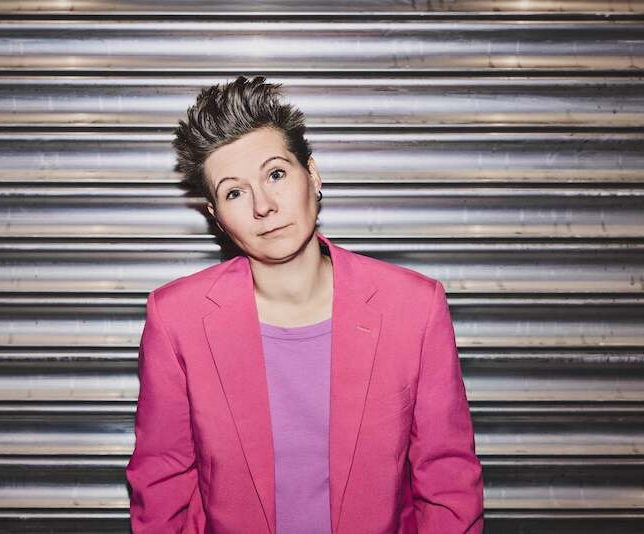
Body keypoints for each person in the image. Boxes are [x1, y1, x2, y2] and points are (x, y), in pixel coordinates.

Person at [126, 75, 483, 534]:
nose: (263, 206)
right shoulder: (176, 319)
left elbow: (448, 484)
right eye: (234, 192)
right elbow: (162, 489)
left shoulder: (413, 307)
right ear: (216, 214)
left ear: (312, 176)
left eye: (276, 174)